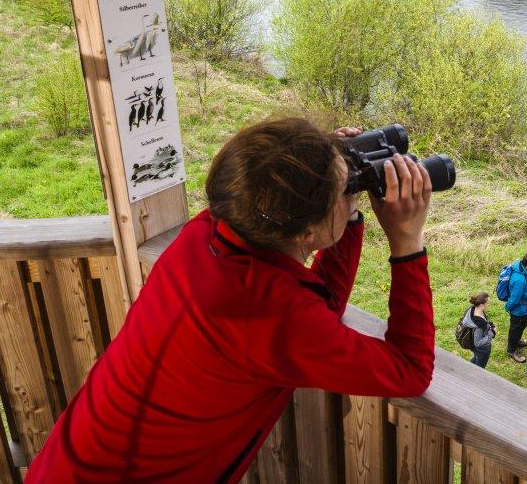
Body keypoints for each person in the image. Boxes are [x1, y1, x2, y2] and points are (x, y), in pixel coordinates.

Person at [25, 118, 436, 483]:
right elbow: (410, 370)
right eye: (346, 191)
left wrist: (329, 180)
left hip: (69, 462)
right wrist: (406, 240)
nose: (352, 193)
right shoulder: (271, 315)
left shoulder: (207, 233)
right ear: (304, 233)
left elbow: (318, 307)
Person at [505, 252, 527, 362]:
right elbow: (515, 298)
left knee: (522, 325)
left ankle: (518, 340)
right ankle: (511, 350)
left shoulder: (525, 270)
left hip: (524, 308)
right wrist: (508, 307)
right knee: (515, 329)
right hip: (518, 310)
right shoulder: (520, 279)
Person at [461, 292, 496, 368]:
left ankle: (469, 369)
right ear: (481, 305)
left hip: (473, 345)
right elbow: (478, 343)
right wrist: (492, 332)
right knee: (480, 369)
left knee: (476, 359)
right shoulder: (479, 325)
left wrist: (488, 325)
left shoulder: (472, 308)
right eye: (487, 303)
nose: (489, 304)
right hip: (482, 349)